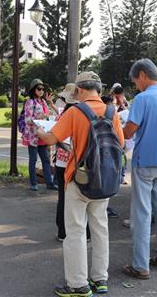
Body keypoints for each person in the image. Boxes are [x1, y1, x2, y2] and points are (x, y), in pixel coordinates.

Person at [37, 72, 124, 297]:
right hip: (104, 180)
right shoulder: (112, 112)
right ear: (97, 88)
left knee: (75, 231)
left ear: (80, 90)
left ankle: (77, 285)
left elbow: (51, 139)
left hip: (80, 179)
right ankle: (100, 279)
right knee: (100, 229)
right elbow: (121, 143)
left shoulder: (75, 112)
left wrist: (38, 131)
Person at [122, 58, 157, 280]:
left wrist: (117, 124)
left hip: (144, 161)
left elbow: (128, 132)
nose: (136, 84)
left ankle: (140, 265)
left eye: (136, 80)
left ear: (143, 75)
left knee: (142, 214)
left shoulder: (142, 99)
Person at [54, 83, 91, 242]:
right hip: (79, 163)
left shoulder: (63, 114)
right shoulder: (83, 113)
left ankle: (62, 232)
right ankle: (86, 233)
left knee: (63, 198)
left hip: (62, 164)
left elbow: (54, 136)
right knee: (84, 199)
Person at [22, 78, 57, 191]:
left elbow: (47, 117)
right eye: (39, 88)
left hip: (43, 135)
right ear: (33, 90)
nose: (41, 91)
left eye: (43, 88)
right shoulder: (29, 102)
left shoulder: (43, 102)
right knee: (33, 160)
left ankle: (49, 183)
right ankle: (33, 183)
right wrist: (40, 117)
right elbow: (27, 120)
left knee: (46, 160)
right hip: (33, 136)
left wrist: (49, 115)